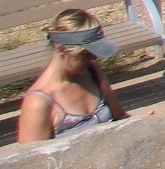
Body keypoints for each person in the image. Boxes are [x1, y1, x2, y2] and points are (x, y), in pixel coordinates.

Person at [17, 8, 129, 143]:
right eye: (85, 53)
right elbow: (31, 160)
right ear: (61, 48)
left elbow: (120, 116)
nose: (94, 57)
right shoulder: (38, 102)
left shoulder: (92, 72)